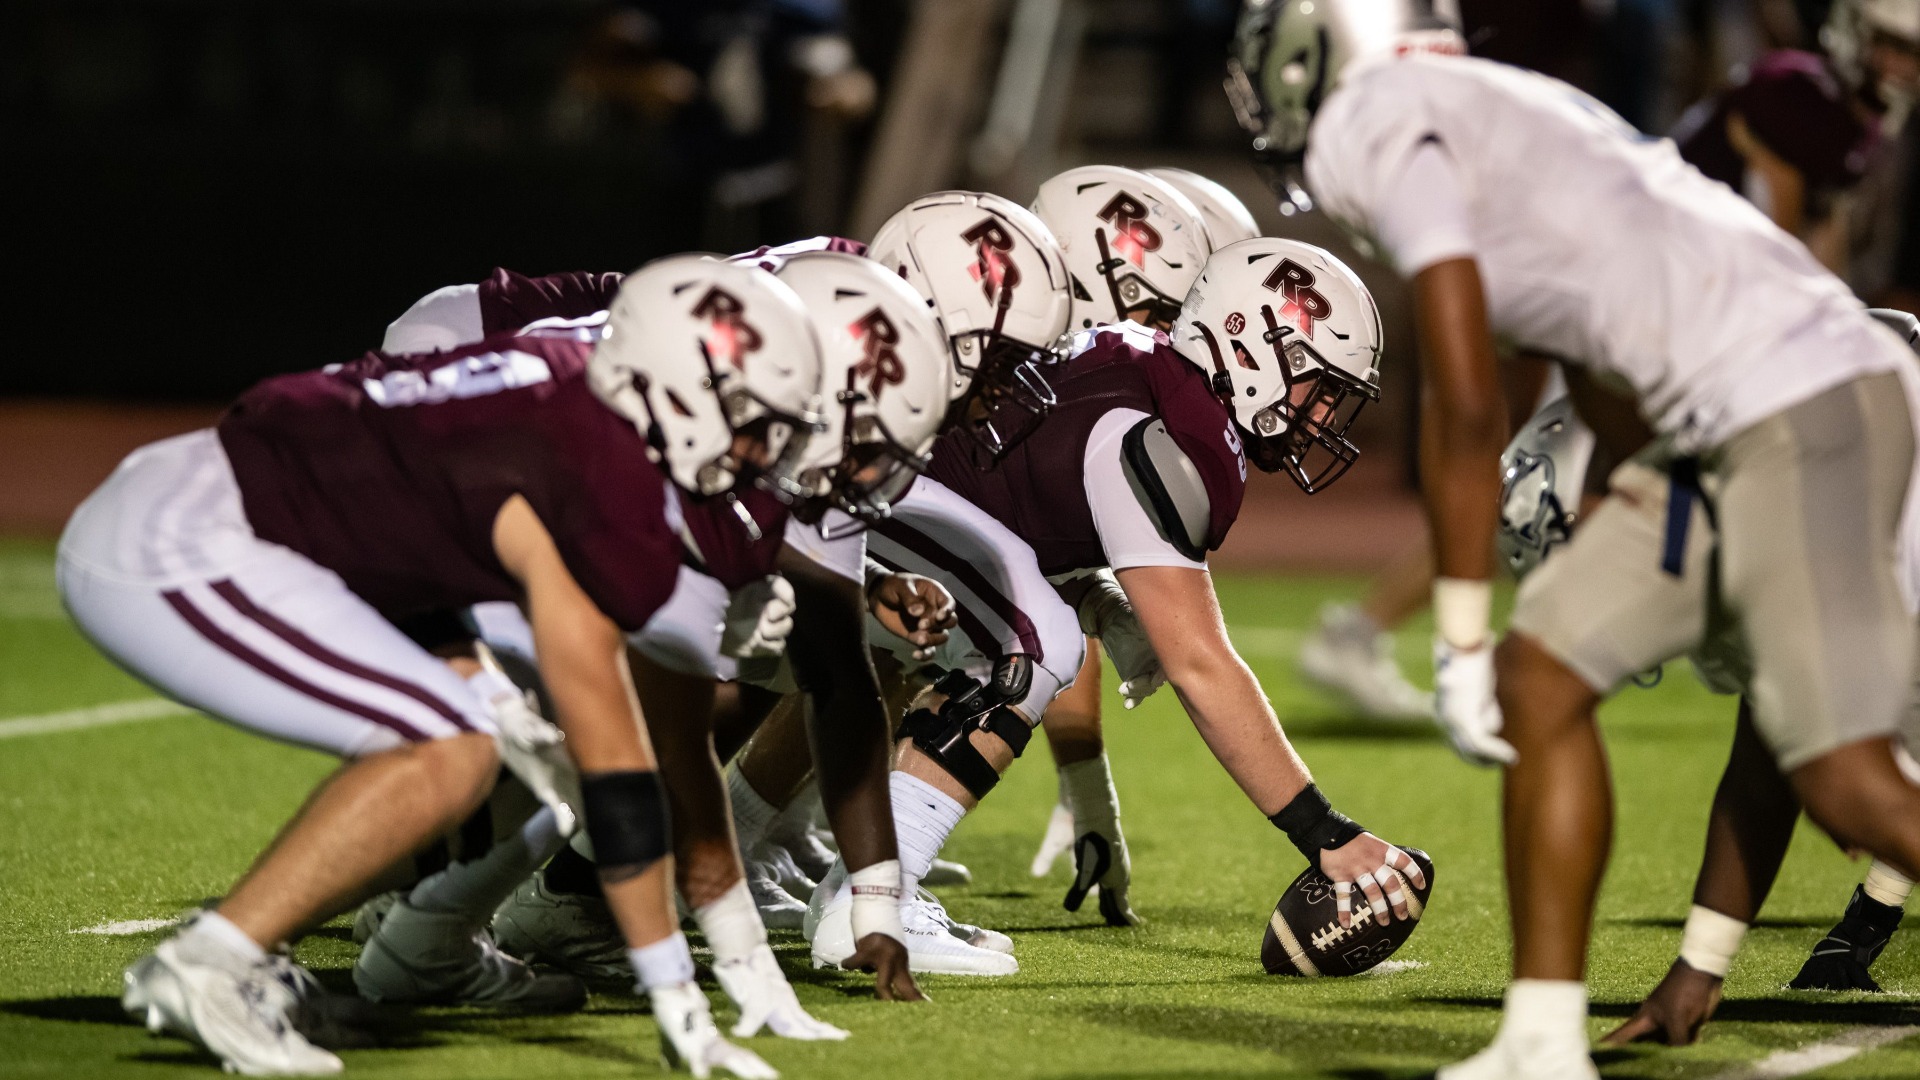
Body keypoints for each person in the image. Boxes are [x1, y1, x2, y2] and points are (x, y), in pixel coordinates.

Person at [1231, 2, 1920, 1077]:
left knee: (1846, 779)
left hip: (1790, 399)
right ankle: (1543, 1041)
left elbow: (1466, 399)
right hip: (1754, 403)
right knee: (1545, 675)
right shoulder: (1507, 110)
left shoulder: (1377, 115)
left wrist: (1459, 635)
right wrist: (1701, 961)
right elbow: (1603, 356)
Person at [63, 255, 828, 1077]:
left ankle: (335, 947)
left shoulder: (581, 394)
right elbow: (623, 772)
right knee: (453, 745)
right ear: (677, 393)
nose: (765, 453)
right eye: (752, 422)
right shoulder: (590, 459)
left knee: (522, 760)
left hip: (288, 530)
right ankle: (211, 965)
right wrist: (678, 997)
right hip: (195, 532)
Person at [806, 232, 1431, 978]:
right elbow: (1201, 665)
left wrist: (1096, 599)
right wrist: (1324, 833)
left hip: (869, 487)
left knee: (1026, 623)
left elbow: (1015, 517)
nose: (1325, 413)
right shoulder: (1169, 438)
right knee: (1035, 642)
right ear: (1252, 351)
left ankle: (849, 884)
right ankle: (873, 903)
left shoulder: (1150, 370)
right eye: (1319, 385)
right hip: (860, 499)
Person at [1671, 0, 1919, 272]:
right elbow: (1780, 232)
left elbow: (1823, 222)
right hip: (1682, 235)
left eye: (1914, 56)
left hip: (1719, 251)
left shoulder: (1863, 127)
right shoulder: (1800, 92)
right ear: (1857, 33)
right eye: (1891, 46)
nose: (1903, 67)